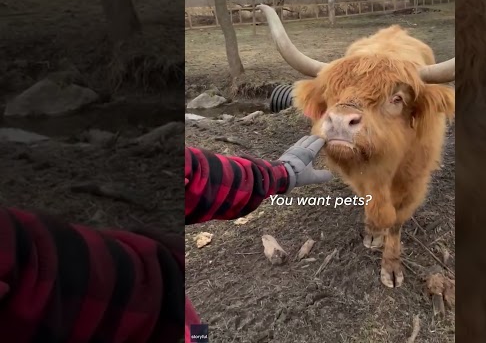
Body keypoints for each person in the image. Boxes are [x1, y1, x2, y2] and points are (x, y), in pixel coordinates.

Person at [0, 135, 332, 343]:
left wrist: (277, 175)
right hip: (165, 311)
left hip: (182, 315)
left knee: (199, 334)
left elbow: (192, 176)